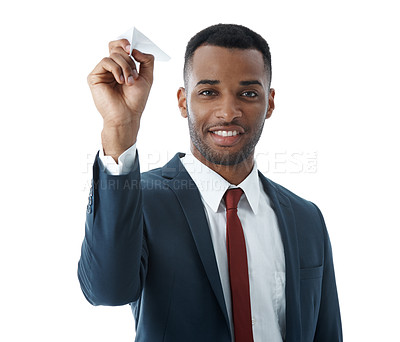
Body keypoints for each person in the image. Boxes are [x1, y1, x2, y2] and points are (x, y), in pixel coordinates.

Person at [78, 24, 342, 342]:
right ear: (182, 102)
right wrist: (120, 126)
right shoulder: (144, 200)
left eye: (248, 93)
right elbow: (106, 289)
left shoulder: (306, 217)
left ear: (269, 103)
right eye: (208, 92)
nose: (228, 112)